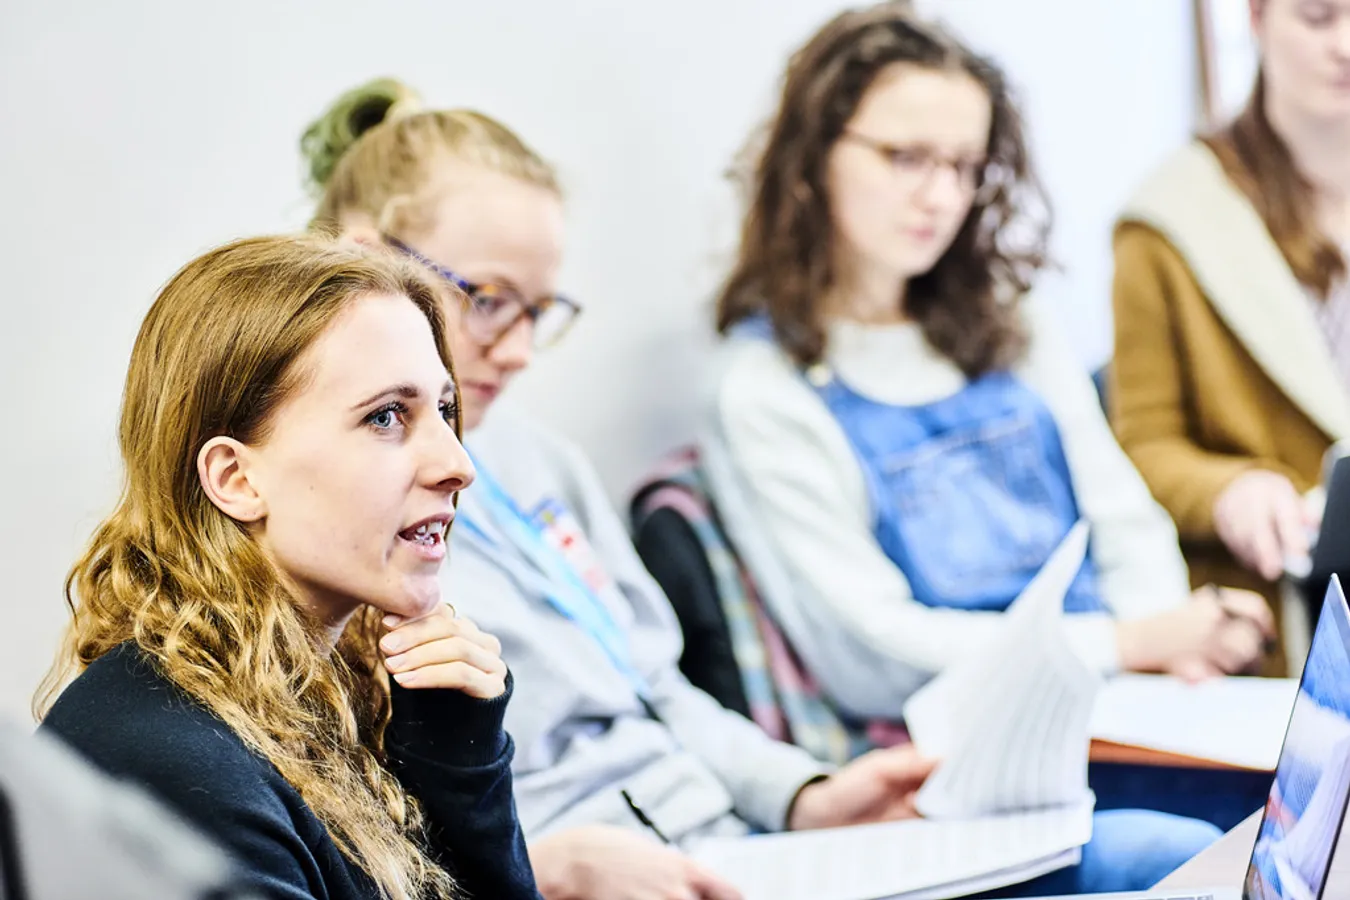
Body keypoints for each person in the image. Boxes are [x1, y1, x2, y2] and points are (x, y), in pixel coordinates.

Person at [303, 72, 1222, 899]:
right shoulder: (332, 521)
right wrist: (542, 868)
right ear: (367, 256)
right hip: (602, 869)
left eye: (541, 312)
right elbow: (361, 834)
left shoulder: (540, 464)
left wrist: (804, 794)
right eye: (488, 299)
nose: (519, 349)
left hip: (735, 841)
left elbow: (657, 687)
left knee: (1169, 851)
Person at [698, 2, 1276, 725]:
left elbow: (1124, 521)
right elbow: (876, 658)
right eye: (905, 158)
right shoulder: (762, 389)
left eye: (965, 167)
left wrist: (1176, 655)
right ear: (812, 157)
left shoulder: (1009, 321)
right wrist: (1129, 644)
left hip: (1126, 706)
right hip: (964, 744)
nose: (941, 197)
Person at [36, 235, 540, 900]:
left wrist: (460, 769)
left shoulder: (341, 694)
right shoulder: (167, 762)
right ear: (237, 478)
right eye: (387, 416)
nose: (457, 465)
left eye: (444, 411)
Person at [1111, 0, 1350, 675]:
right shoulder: (1171, 224)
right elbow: (1142, 448)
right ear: (1256, 18)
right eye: (1318, 17)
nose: (1346, 45)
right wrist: (1229, 491)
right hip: (1281, 634)